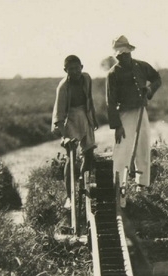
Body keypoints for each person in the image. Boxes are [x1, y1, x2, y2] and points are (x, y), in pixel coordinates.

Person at [106, 35, 161, 194]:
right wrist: (117, 126)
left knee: (143, 146)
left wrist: (149, 90)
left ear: (130, 51)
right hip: (124, 114)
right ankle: (118, 187)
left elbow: (157, 78)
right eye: (119, 55)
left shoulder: (142, 66)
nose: (122, 57)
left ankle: (142, 185)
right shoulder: (113, 73)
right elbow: (110, 102)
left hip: (141, 111)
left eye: (125, 53)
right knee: (122, 149)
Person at [51, 55, 98, 209]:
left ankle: (84, 187)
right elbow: (59, 116)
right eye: (71, 69)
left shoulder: (87, 78)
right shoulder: (63, 87)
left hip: (85, 116)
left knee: (89, 154)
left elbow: (89, 99)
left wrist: (94, 118)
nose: (75, 72)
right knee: (71, 156)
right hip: (70, 119)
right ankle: (70, 197)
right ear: (65, 70)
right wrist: (65, 137)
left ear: (82, 67)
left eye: (77, 68)